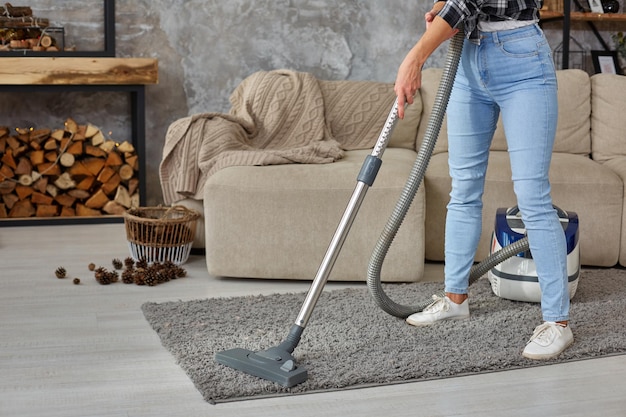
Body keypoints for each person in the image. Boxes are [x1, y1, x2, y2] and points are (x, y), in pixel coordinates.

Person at [394, 0, 573, 360]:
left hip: (522, 60)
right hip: (468, 61)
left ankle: (558, 323)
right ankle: (455, 298)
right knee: (463, 189)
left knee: (532, 196)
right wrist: (444, 10)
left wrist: (415, 57)